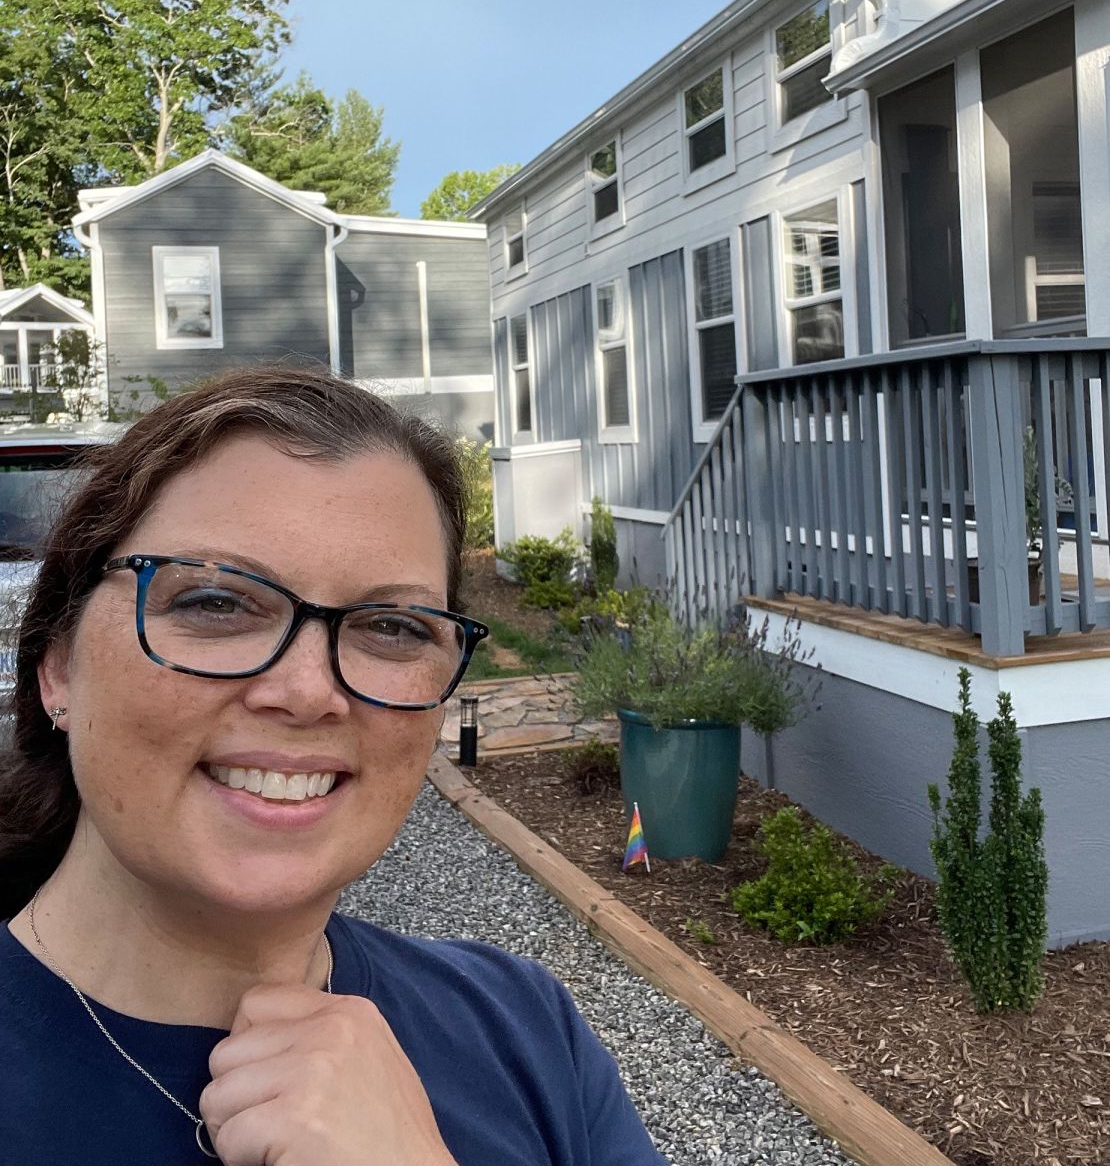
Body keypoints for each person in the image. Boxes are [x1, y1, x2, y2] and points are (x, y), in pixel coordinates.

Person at [0, 366, 667, 1164]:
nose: (309, 692)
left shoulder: (524, 1029)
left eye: (392, 627)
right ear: (58, 666)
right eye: (215, 602)